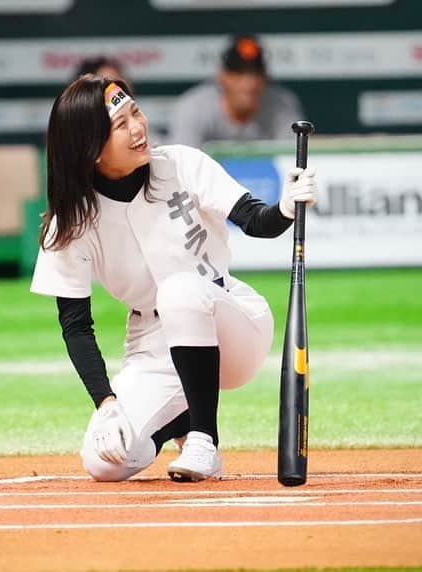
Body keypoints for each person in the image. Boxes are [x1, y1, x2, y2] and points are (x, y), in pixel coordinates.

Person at [30, 75, 317, 483]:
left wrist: (286, 207)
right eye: (121, 124)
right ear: (90, 148)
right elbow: (75, 325)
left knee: (179, 290)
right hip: (151, 343)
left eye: (136, 112)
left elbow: (256, 221)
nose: (138, 127)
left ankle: (205, 440)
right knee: (104, 460)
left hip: (230, 322)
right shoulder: (71, 220)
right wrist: (106, 404)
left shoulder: (182, 163)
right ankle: (180, 420)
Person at [168, 34, 305, 148]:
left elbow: (292, 159)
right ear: (223, 77)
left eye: (255, 73)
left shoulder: (281, 105)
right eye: (239, 73)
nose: (249, 82)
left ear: (265, 77)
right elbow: (183, 165)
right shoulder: (195, 107)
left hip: (266, 179)